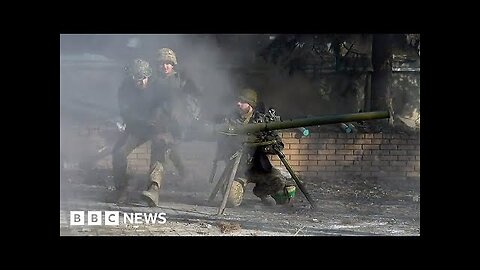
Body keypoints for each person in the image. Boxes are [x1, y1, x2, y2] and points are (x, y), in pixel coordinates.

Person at [111, 58, 176, 206]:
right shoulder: (125, 88)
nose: (140, 83)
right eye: (136, 80)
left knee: (160, 149)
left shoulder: (160, 87)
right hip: (137, 127)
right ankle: (122, 189)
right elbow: (126, 112)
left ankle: (153, 189)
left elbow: (169, 107)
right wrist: (141, 120)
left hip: (159, 127)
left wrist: (160, 121)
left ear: (148, 76)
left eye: (143, 79)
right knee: (119, 152)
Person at [220, 88, 296, 207]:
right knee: (231, 199)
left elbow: (278, 145)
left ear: (250, 104)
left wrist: (264, 145)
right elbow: (223, 141)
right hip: (239, 169)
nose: (238, 104)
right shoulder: (232, 119)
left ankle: (261, 193)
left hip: (259, 168)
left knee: (278, 181)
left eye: (242, 101)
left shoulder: (262, 120)